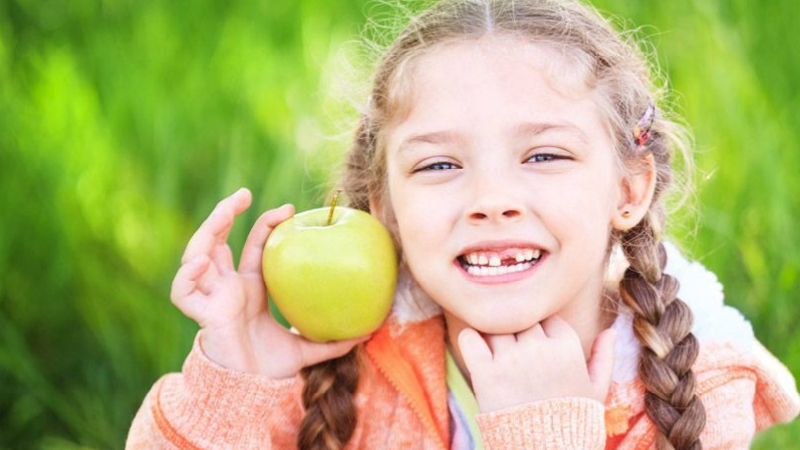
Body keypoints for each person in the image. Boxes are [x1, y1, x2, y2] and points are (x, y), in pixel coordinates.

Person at [125, 0, 800, 449]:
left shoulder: (694, 385)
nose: (491, 200)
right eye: (440, 164)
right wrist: (237, 379)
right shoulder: (344, 364)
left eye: (543, 155)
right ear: (385, 208)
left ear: (628, 189)